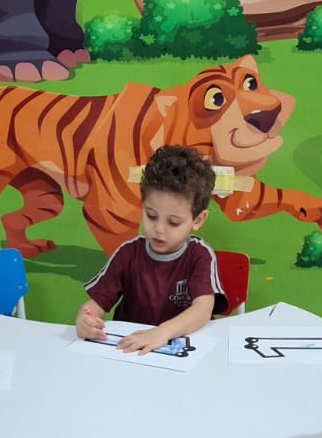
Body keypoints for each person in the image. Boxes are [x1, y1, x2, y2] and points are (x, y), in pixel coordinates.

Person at [77, 145, 227, 355]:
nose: (159, 229)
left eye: (173, 222)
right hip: (131, 353)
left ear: (198, 220)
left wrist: (162, 332)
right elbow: (96, 305)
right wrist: (85, 320)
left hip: (178, 354)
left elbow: (202, 309)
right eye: (151, 215)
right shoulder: (128, 254)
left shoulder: (199, 255)